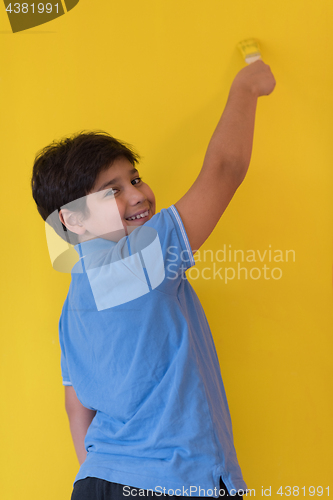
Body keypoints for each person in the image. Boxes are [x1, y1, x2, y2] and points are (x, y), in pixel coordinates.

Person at [31, 60, 276, 500]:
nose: (138, 194)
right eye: (113, 190)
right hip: (173, 481)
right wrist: (247, 86)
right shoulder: (138, 257)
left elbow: (76, 408)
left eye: (135, 178)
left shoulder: (76, 303)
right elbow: (224, 169)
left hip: (99, 480)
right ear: (73, 220)